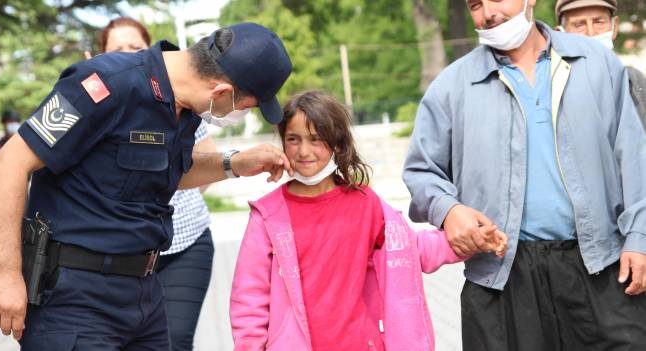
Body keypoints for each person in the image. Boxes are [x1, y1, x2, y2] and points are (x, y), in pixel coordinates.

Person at [0, 22, 293, 351]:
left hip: (144, 296)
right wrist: (5, 274)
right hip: (75, 301)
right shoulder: (103, 85)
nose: (240, 115)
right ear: (221, 92)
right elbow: (8, 164)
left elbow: (171, 172)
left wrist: (233, 164)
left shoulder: (185, 108)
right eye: (246, 107)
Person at [403, 0, 646, 349]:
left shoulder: (596, 64)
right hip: (501, 276)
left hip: (602, 265)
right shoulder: (452, 87)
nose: (488, 13)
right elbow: (421, 170)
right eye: (475, 5)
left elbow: (635, 158)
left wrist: (639, 237)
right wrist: (448, 209)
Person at [230, 91, 507, 351]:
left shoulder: (365, 204)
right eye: (293, 139)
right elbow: (249, 300)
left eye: (316, 139)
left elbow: (411, 249)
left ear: (338, 143)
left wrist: (471, 239)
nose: (304, 151)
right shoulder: (268, 216)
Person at [98, 17, 219, 351]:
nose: (127, 54)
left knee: (173, 341)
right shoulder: (94, 104)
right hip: (119, 253)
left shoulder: (179, 97)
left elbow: (206, 157)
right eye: (117, 48)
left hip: (184, 243)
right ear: (97, 56)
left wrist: (166, 192)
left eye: (135, 47)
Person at [555, 0, 646, 130]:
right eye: (579, 24)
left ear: (614, 27)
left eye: (599, 22)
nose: (591, 33)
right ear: (560, 35)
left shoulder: (634, 81)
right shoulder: (551, 89)